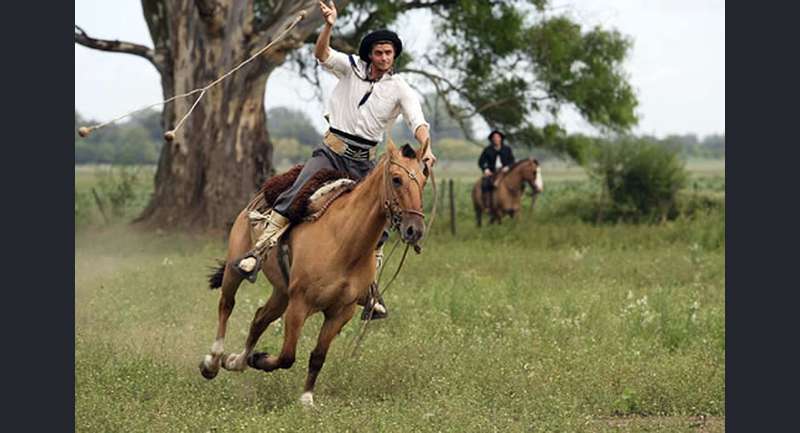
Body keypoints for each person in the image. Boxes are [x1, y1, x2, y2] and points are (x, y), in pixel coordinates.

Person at [233, 0, 437, 320]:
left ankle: (369, 289)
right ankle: (258, 253)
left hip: (365, 162)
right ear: (370, 54)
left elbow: (417, 120)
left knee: (380, 218)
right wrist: (328, 27)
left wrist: (427, 146)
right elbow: (321, 54)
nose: (384, 58)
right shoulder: (350, 67)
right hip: (332, 152)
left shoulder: (400, 88)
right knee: (298, 192)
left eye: (389, 53)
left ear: (394, 56)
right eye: (379, 52)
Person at [477, 130, 515, 210]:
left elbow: (512, 161)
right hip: (492, 172)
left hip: (505, 172)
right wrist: (485, 169)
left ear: (501, 138)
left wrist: (508, 167)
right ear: (491, 139)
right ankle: (486, 203)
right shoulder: (487, 150)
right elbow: (481, 161)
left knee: (517, 183)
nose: (496, 139)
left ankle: (514, 204)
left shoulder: (507, 149)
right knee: (484, 184)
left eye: (498, 137)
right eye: (494, 138)